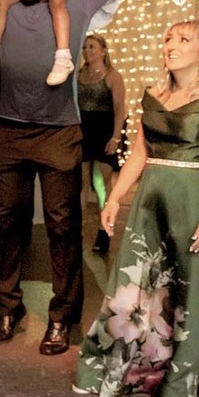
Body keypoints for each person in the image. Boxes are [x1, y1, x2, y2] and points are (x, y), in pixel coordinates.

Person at [0, 0, 140, 354]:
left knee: (62, 227)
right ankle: (7, 308)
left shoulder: (76, 1)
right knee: (7, 223)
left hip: (59, 132)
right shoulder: (2, 0)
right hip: (9, 130)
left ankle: (61, 317)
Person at [74, 19, 199, 397]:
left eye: (183, 39)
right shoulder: (154, 95)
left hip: (193, 202)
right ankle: (128, 367)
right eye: (168, 38)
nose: (171, 45)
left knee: (190, 290)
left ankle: (184, 376)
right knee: (135, 288)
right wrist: (114, 198)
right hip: (150, 205)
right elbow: (140, 153)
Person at [77, 33, 126, 255]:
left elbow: (120, 108)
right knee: (81, 183)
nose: (87, 51)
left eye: (92, 47)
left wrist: (115, 137)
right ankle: (77, 231)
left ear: (103, 51)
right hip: (82, 132)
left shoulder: (112, 76)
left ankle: (103, 229)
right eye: (85, 47)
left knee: (101, 183)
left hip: (104, 132)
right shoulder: (79, 76)